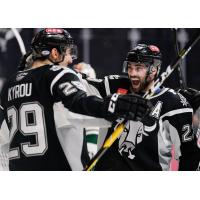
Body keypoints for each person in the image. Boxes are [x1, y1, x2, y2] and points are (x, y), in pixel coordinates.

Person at [0, 29, 151, 171]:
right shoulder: (58, 73)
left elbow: (3, 137)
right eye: (68, 52)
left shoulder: (9, 84)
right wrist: (114, 105)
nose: (71, 59)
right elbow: (78, 103)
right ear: (54, 53)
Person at [92, 44, 200, 171]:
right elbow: (80, 87)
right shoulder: (113, 86)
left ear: (153, 70)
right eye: (130, 67)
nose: (132, 73)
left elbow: (189, 154)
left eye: (138, 68)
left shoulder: (174, 104)